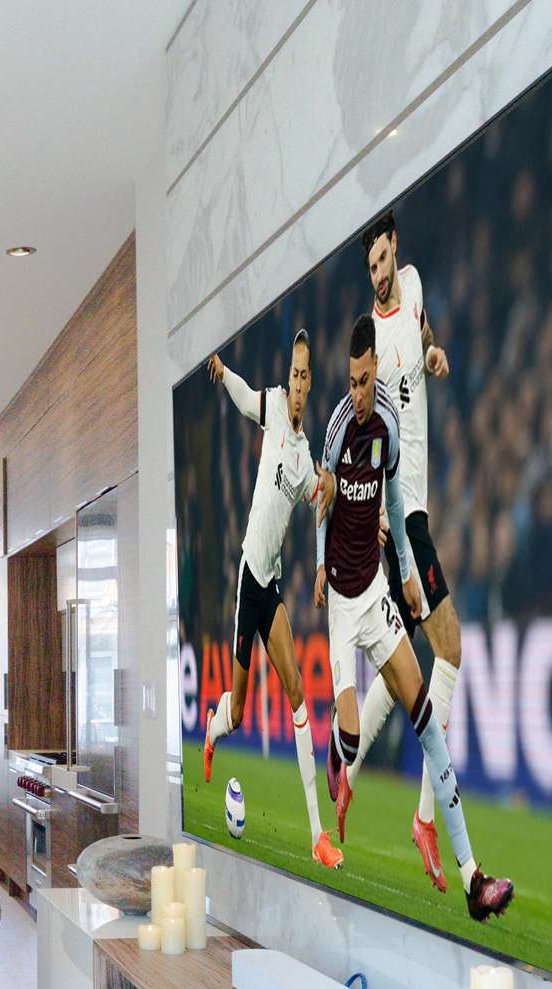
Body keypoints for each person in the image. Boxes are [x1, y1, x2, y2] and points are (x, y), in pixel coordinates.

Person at [317, 313, 513, 922]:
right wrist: (319, 565)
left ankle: (473, 877)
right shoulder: (338, 428)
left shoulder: (388, 424)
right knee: (352, 739)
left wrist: (404, 568)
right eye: (350, 382)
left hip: (377, 593)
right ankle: (337, 746)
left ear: (375, 369)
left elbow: (397, 498)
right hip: (342, 604)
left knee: (427, 719)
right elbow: (323, 501)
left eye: (363, 380)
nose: (356, 393)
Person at [338, 209, 468, 891]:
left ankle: (347, 770)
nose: (380, 275)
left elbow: (424, 333)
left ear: (397, 254)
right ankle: (425, 818)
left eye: (384, 260)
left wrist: (435, 351)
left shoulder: (413, 286)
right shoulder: (373, 348)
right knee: (449, 650)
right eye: (371, 267)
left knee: (405, 670)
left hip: (419, 504)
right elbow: (366, 436)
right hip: (404, 515)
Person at [200, 331, 341, 868]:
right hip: (249, 580)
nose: (298, 384)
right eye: (294, 373)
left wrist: (333, 489)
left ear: (312, 384)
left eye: (305, 376)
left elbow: (320, 507)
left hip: (273, 585)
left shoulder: (305, 457)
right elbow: (243, 398)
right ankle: (214, 727)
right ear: (289, 378)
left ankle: (317, 835)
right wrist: (222, 373)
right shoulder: (275, 408)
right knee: (237, 714)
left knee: (298, 695)